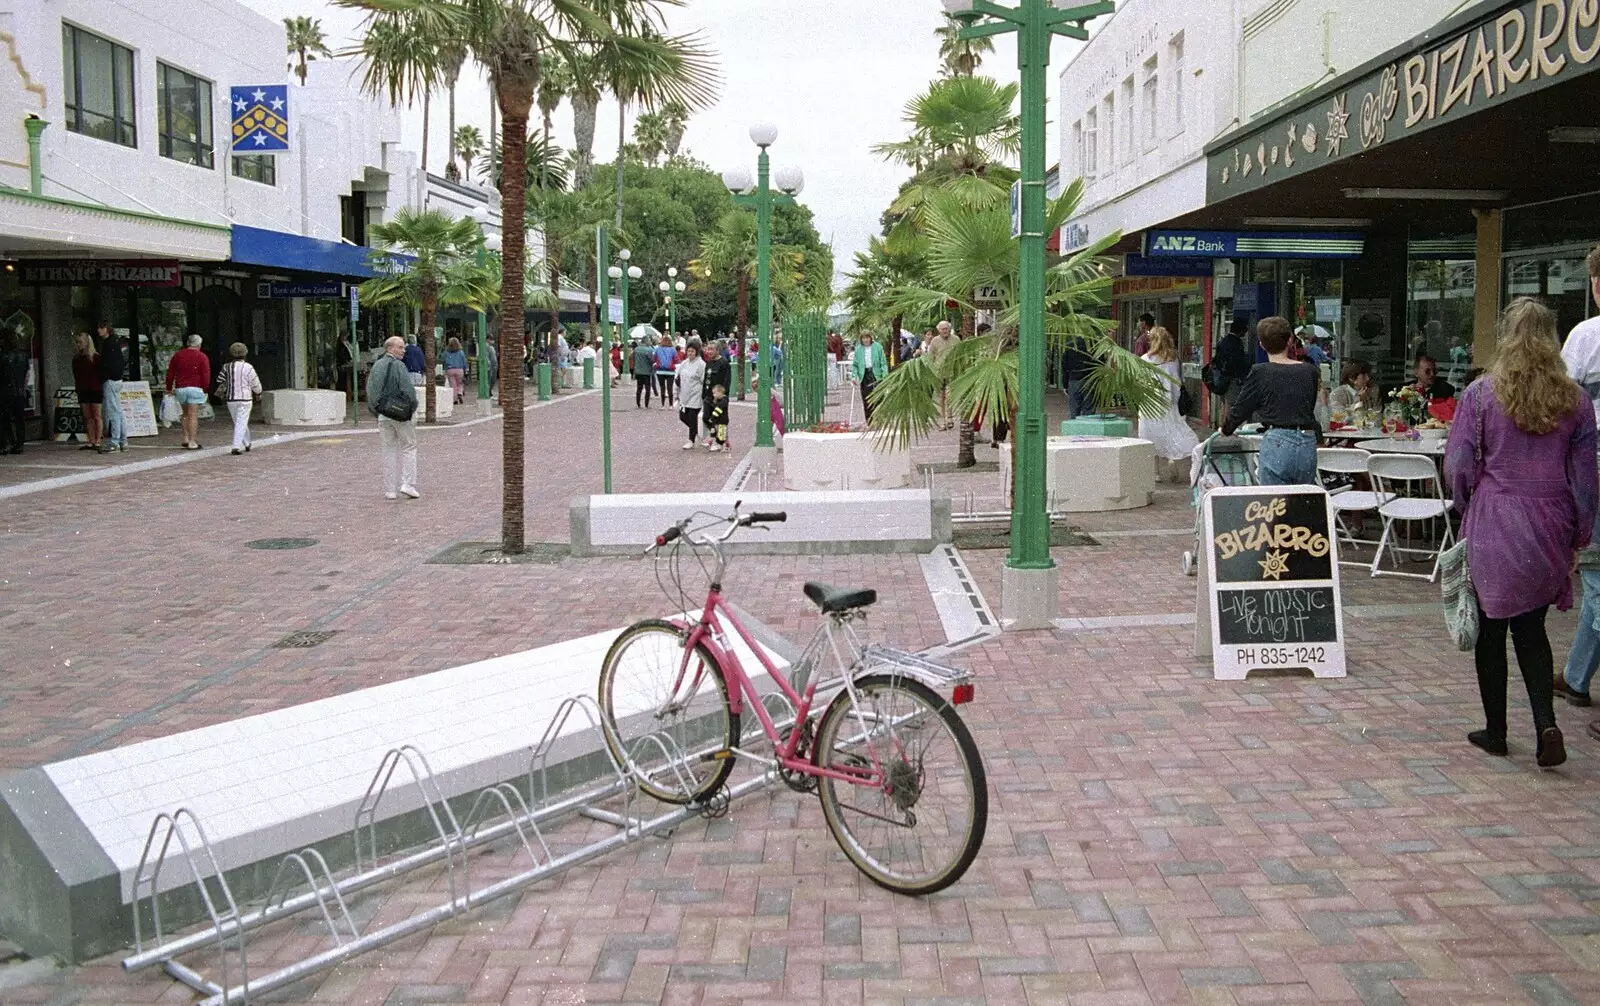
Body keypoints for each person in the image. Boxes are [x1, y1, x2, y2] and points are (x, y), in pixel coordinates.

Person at [1447, 298, 1595, 768]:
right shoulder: (1575, 400)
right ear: (1552, 339)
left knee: (1490, 629)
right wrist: (1580, 534)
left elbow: (1460, 464)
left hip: (1496, 513)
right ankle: (1545, 724)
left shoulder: (1481, 394)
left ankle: (1495, 730)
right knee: (1532, 629)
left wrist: (1467, 505)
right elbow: (1586, 478)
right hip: (1550, 518)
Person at [1222, 317, 1321, 485]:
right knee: (1303, 502)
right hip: (1306, 441)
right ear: (1290, 340)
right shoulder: (1309, 371)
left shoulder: (1260, 372)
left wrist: (1227, 428)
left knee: (1275, 503)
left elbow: (1243, 406)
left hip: (1277, 441)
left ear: (1261, 344)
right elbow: (1308, 406)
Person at [1138, 326, 1200, 482]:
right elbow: (1178, 383)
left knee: (1149, 437)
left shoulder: (1145, 360)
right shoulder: (1173, 360)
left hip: (1149, 405)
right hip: (1169, 404)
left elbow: (1140, 383)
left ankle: (1156, 472)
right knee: (1171, 432)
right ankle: (1172, 459)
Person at [369, 336, 420, 500]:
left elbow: (371, 390)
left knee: (388, 450)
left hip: (383, 414)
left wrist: (376, 410)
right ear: (389, 348)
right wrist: (412, 408)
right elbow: (408, 390)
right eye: (400, 347)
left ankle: (390, 489)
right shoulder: (398, 366)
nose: (403, 350)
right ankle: (408, 483)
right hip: (400, 413)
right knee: (409, 446)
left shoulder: (376, 366)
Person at [216, 342, 263, 455]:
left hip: (231, 399)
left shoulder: (226, 366)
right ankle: (236, 446)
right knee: (241, 421)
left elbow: (219, 380)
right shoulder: (248, 367)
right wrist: (258, 392)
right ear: (245, 353)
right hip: (245, 398)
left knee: (239, 421)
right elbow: (255, 383)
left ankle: (247, 443)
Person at [165, 334, 211, 451]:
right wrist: (205, 389)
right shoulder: (202, 356)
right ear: (199, 344)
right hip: (196, 388)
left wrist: (169, 387)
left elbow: (170, 373)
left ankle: (185, 438)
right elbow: (206, 375)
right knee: (193, 415)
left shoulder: (178, 355)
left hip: (181, 388)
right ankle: (192, 441)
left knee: (185, 414)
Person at [1212, 317, 1253, 424]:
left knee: (1225, 402)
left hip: (1221, 378)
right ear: (1240, 330)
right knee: (1232, 403)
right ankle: (1227, 427)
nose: (1246, 332)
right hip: (1231, 378)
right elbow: (1236, 362)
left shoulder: (1223, 341)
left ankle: (1224, 425)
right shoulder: (1236, 343)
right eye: (1245, 330)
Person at [97, 321, 127, 454]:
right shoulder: (115, 343)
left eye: (101, 328)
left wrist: (104, 375)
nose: (99, 330)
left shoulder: (108, 344)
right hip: (117, 379)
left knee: (113, 411)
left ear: (107, 329)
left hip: (110, 379)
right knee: (118, 411)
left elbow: (107, 363)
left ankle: (115, 442)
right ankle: (123, 440)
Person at [72, 333, 103, 451]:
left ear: (86, 343)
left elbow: (101, 373)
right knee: (87, 416)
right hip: (83, 389)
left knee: (96, 416)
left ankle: (98, 439)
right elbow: (76, 374)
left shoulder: (95, 357)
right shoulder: (76, 359)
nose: (78, 345)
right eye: (77, 343)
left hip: (95, 389)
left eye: (80, 342)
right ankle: (90, 439)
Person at [0, 328, 27, 455]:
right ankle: (19, 443)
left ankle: (8, 443)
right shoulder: (23, 354)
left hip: (6, 391)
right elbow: (25, 372)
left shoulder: (4, 356)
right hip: (20, 391)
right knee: (19, 419)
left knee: (5, 419)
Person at [675, 341, 706, 449]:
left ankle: (691, 440)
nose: (690, 353)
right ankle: (698, 433)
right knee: (683, 416)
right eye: (688, 351)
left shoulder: (701, 364)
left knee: (692, 417)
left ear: (696, 352)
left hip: (695, 394)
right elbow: (678, 377)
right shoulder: (684, 363)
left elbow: (703, 380)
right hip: (684, 394)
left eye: (692, 351)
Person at [853, 331, 888, 424]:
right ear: (861, 339)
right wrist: (854, 376)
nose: (865, 340)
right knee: (866, 399)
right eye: (863, 338)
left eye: (867, 337)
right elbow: (855, 365)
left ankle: (879, 419)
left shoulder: (878, 347)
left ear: (871, 338)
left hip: (876, 375)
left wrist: (884, 377)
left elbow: (883, 363)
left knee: (878, 398)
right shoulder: (858, 349)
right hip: (864, 375)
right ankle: (869, 421)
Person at [703, 342, 731, 449]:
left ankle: (720, 442)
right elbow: (706, 379)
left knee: (721, 420)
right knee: (707, 417)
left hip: (720, 396)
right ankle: (714, 436)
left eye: (711, 349)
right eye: (708, 349)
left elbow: (727, 380)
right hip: (709, 396)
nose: (709, 352)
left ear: (717, 350)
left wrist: (722, 395)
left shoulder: (724, 363)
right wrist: (704, 394)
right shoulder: (708, 363)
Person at [1061, 337, 1094, 418]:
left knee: (1074, 408)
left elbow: (1065, 367)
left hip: (1074, 379)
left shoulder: (1069, 346)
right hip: (1089, 379)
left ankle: (1074, 428)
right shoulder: (1093, 345)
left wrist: (1065, 385)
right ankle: (1088, 428)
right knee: (1088, 408)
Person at [442, 337, 468, 404]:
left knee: (453, 385)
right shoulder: (461, 352)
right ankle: (460, 392)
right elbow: (464, 361)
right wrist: (466, 368)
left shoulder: (446, 352)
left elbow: (443, 360)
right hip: (459, 369)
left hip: (450, 370)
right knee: (460, 383)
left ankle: (455, 399)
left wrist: (444, 369)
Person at [630, 338, 655, 408]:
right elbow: (651, 360)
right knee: (648, 389)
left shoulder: (636, 349)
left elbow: (634, 358)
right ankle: (646, 404)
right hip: (647, 371)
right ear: (647, 342)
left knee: (639, 388)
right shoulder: (649, 350)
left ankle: (638, 403)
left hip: (638, 371)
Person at [654, 334, 677, 407]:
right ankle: (670, 405)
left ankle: (662, 405)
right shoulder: (673, 349)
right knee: (670, 387)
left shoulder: (657, 349)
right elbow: (676, 360)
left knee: (662, 387)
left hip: (660, 371)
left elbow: (654, 359)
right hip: (670, 371)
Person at [706, 384, 729, 452]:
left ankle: (722, 445)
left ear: (719, 392)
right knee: (719, 433)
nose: (713, 395)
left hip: (722, 420)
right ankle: (719, 444)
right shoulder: (720, 400)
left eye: (714, 393)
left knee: (721, 434)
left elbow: (719, 409)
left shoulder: (724, 400)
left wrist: (713, 417)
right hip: (719, 420)